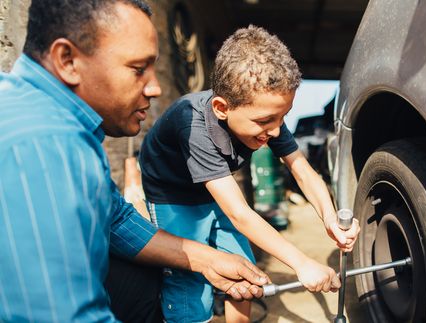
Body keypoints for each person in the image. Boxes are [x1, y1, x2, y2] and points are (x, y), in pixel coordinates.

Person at [0, 1, 269, 322]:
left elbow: (114, 219)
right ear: (68, 60)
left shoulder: (51, 115)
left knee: (148, 278)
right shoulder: (46, 144)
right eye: (138, 69)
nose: (155, 88)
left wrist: (207, 259)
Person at [139, 25, 361, 323]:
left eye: (283, 116)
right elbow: (240, 215)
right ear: (221, 108)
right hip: (173, 197)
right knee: (189, 281)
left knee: (245, 270)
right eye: (266, 120)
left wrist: (330, 218)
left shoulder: (268, 119)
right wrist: (302, 263)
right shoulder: (192, 124)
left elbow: (303, 171)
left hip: (216, 191)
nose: (276, 129)